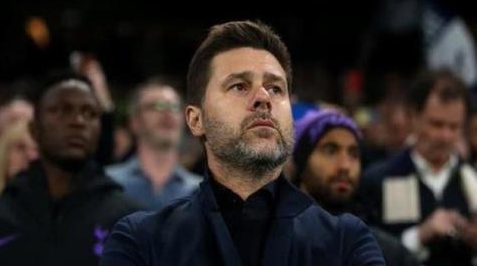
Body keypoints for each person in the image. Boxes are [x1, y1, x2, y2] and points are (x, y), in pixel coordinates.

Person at [101, 20, 385, 265]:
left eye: (276, 88)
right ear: (196, 120)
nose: (263, 97)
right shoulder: (141, 242)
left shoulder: (347, 242)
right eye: (239, 86)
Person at [0, 72, 140, 265]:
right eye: (62, 110)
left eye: (90, 113)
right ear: (34, 129)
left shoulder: (129, 222)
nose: (78, 121)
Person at [360, 69, 477, 266]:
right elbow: (364, 251)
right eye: (437, 124)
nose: (445, 136)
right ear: (414, 116)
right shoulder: (378, 179)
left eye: (454, 127)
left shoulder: (472, 181)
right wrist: (419, 236)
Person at [293, 110, 419, 266]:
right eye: (330, 151)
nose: (345, 166)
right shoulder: (279, 237)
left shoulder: (383, 248)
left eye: (353, 154)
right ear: (302, 161)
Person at [106, 78, 201, 210]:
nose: (167, 113)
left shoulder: (199, 191)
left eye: (174, 107)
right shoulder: (109, 182)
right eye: (156, 106)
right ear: (135, 122)